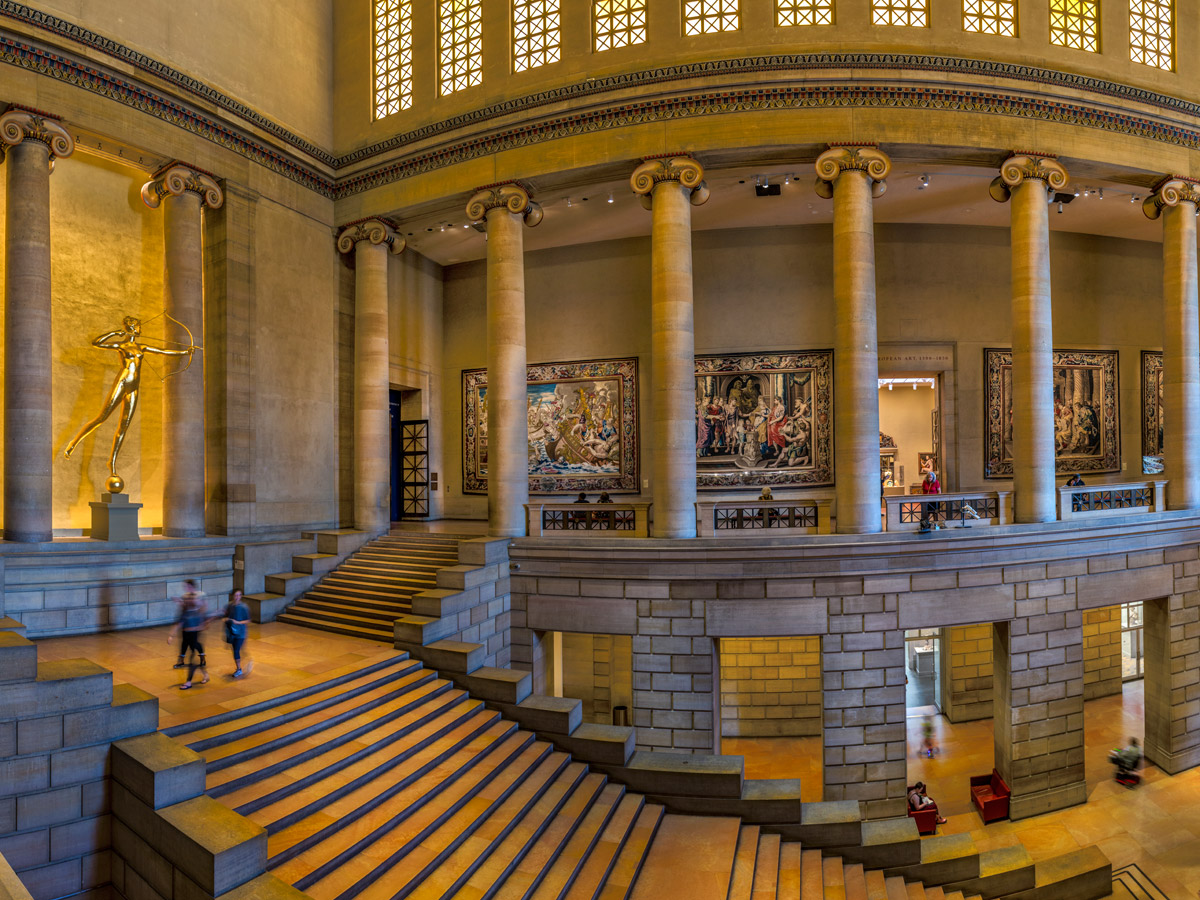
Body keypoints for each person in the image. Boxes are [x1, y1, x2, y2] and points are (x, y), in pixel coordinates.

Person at [63, 315, 197, 482]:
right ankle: (73, 444)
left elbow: (163, 351)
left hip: (134, 387)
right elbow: (96, 343)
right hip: (123, 381)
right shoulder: (122, 345)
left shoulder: (142, 347)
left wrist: (185, 352)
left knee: (123, 427)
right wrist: (115, 333)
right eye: (139, 326)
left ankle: (111, 462)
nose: (141, 329)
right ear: (132, 328)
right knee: (102, 418)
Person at [168, 583, 210, 689]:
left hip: (194, 639)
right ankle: (205, 675)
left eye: (191, 600)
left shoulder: (197, 613)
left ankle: (188, 682)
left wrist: (196, 627)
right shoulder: (186, 613)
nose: (188, 601)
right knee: (193, 661)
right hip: (188, 638)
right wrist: (171, 635)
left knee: (192, 661)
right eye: (186, 601)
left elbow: (203, 625)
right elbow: (179, 623)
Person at [223, 590, 252, 678]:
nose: (237, 597)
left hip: (241, 633)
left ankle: (239, 669)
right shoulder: (229, 606)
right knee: (236, 650)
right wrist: (226, 619)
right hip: (232, 632)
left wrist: (238, 622)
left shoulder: (244, 607)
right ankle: (244, 662)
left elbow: (248, 620)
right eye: (236, 595)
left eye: (239, 595)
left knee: (236, 650)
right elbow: (226, 616)